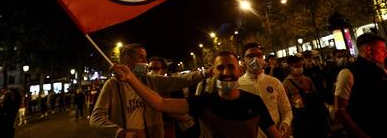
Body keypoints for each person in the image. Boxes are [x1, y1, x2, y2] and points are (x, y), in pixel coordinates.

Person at [114, 50, 282, 138]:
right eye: (220, 67)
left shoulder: (254, 102)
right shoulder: (204, 102)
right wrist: (130, 79)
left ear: (239, 70)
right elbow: (161, 103)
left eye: (230, 66)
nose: (226, 72)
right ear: (213, 72)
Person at [90, 43, 209, 138]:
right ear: (127, 59)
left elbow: (179, 80)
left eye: (146, 57)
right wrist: (119, 132)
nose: (145, 62)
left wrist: (204, 73)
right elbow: (96, 118)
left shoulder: (151, 81)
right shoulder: (112, 85)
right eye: (141, 57)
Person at [334, 33, 387, 138]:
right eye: (381, 48)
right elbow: (340, 110)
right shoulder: (348, 73)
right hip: (366, 130)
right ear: (368, 50)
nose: (385, 52)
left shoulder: (380, 71)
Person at [238, 42, 293, 138]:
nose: (255, 59)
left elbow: (286, 110)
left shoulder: (275, 82)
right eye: (250, 56)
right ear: (243, 60)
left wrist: (285, 123)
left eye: (259, 55)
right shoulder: (238, 85)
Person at [283, 55, 330, 138]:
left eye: (301, 65)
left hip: (315, 115)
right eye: (296, 66)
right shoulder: (286, 83)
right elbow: (287, 104)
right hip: (301, 119)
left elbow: (316, 96)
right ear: (290, 67)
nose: (299, 68)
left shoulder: (307, 79)